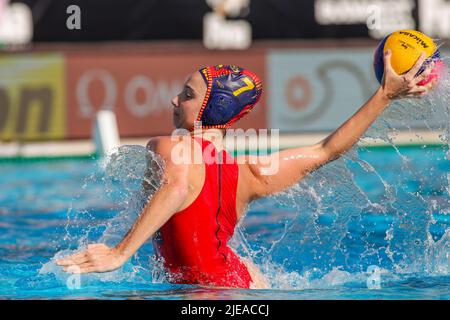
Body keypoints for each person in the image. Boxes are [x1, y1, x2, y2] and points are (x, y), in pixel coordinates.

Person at [57, 52, 436, 289]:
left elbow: (176, 186)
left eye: (187, 95)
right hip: (240, 284)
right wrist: (384, 95)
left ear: (211, 107)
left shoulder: (167, 146)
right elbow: (327, 150)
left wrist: (120, 253)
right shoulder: (250, 173)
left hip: (203, 295)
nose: (175, 99)